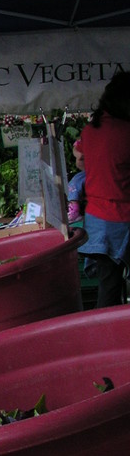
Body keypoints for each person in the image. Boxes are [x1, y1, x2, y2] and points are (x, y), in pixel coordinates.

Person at [77, 71, 130, 307]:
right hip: (123, 221)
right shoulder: (125, 132)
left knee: (108, 289)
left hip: (97, 223)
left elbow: (83, 161)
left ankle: (109, 336)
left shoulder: (90, 131)